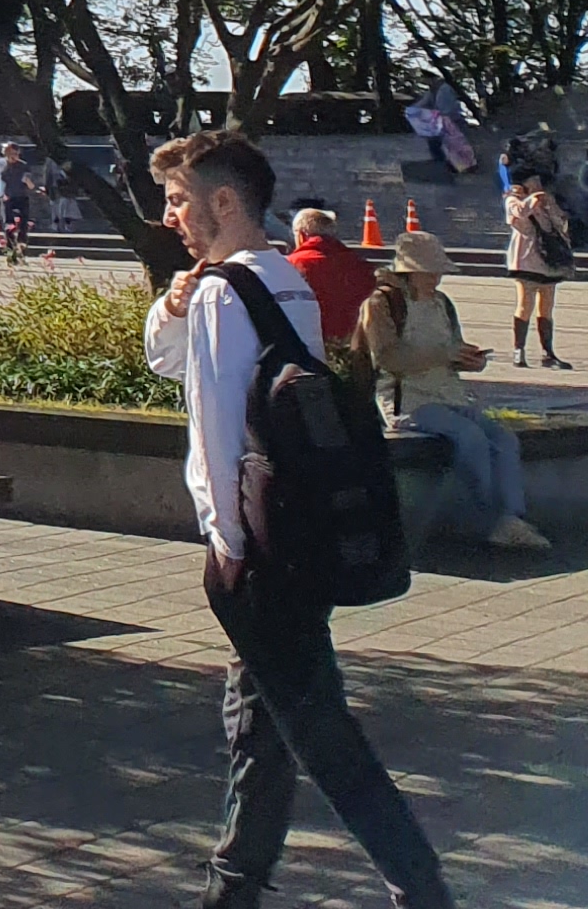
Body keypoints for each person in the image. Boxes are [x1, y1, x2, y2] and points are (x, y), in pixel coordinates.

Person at [142, 128, 453, 909]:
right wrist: (174, 304)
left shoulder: (222, 293)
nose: (170, 217)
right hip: (300, 525)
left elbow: (217, 431)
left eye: (178, 201)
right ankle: (233, 886)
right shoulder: (284, 277)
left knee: (320, 734)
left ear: (223, 202)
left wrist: (225, 545)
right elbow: (179, 358)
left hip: (255, 548)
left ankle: (420, 886)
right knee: (261, 723)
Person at [362, 227, 544, 553]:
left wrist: (468, 359)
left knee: (503, 439)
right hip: (409, 401)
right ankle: (486, 519)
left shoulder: (442, 303)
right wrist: (444, 355)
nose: (436, 279)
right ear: (409, 271)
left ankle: (511, 517)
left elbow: (452, 347)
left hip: (449, 393)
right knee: (469, 438)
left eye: (438, 272)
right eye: (429, 272)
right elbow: (387, 358)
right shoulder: (382, 304)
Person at [284, 205, 379, 355]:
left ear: (301, 235)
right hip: (354, 351)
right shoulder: (360, 265)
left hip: (309, 351)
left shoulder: (291, 265)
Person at [507, 158, 571, 366]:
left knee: (547, 306)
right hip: (525, 261)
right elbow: (519, 214)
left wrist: (550, 206)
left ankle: (548, 353)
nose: (537, 184)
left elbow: (560, 223)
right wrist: (532, 200)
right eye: (532, 181)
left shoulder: (546, 200)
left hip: (548, 260)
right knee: (525, 305)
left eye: (538, 181)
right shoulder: (513, 200)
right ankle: (519, 351)